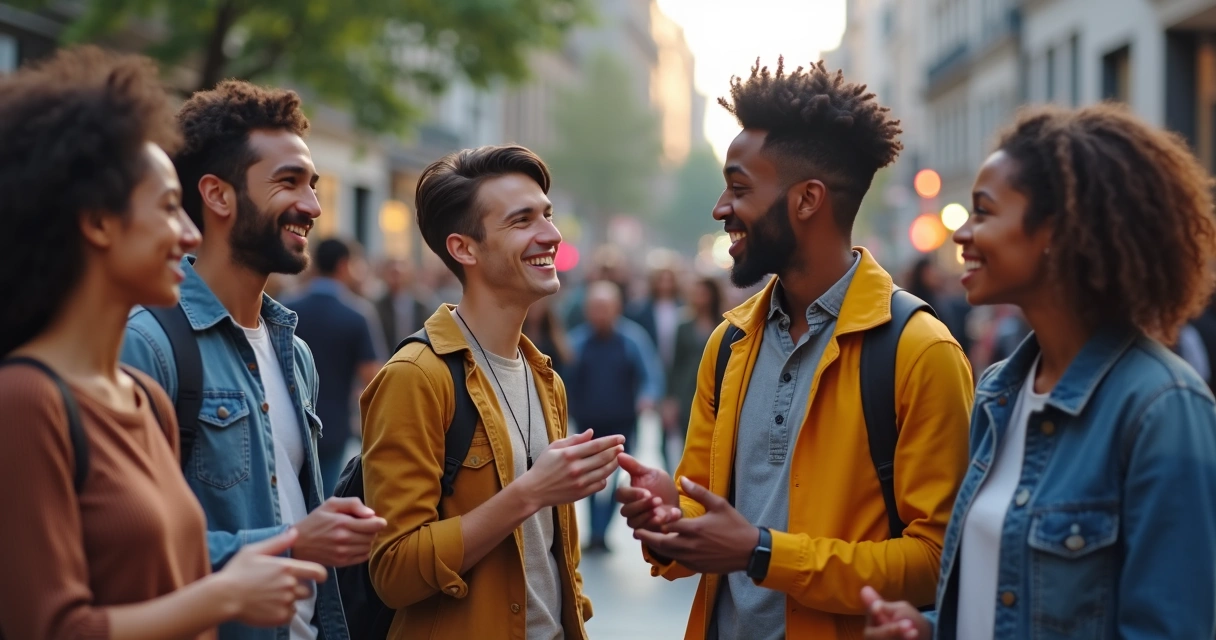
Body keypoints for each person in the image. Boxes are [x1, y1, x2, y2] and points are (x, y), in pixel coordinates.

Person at [615, 58, 975, 640]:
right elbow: (710, 524)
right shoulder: (729, 343)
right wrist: (669, 518)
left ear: (807, 200)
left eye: (739, 188)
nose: (720, 209)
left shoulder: (920, 352)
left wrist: (762, 551)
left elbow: (939, 564)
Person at [0, 46, 327, 640]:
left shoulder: (141, 397)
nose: (186, 232)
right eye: (170, 207)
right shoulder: (27, 399)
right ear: (99, 223)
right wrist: (237, 585)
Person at [862, 104, 1216, 639]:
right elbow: (1008, 600)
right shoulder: (998, 393)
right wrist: (930, 627)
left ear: (1057, 229)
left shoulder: (1163, 407)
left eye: (983, 211)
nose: (963, 234)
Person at [122, 79, 386, 640]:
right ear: (218, 195)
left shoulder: (297, 352)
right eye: (288, 183)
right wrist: (293, 541)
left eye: (313, 185)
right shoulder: (148, 344)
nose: (312, 206)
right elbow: (126, 546)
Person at [360, 145, 621, 639]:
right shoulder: (417, 376)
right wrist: (530, 492)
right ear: (464, 249)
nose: (551, 234)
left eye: (547, 214)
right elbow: (394, 571)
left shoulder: (544, 376)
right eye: (522, 221)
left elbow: (553, 553)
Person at [282, 237, 385, 496]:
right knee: (325, 497)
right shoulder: (357, 314)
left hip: (287, 419)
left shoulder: (286, 308)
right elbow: (373, 379)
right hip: (334, 425)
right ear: (343, 265)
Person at [567, 281, 665, 552]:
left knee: (615, 478)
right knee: (589, 478)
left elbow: (651, 375)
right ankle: (595, 531)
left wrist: (647, 397)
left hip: (622, 423)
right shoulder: (576, 341)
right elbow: (563, 379)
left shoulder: (633, 339)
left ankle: (600, 531)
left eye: (605, 308)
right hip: (588, 422)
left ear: (617, 309)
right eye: (595, 308)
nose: (600, 314)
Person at [661, 276, 724, 475]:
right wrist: (670, 398)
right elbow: (675, 364)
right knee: (687, 439)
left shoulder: (724, 323)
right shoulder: (684, 326)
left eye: (704, 293)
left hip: (716, 387)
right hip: (687, 389)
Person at [375, 258, 433, 349]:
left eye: (399, 274)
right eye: (393, 274)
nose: (396, 279)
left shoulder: (421, 306)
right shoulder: (377, 307)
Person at [523, 297, 575, 378]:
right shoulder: (517, 336)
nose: (535, 308)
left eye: (538, 304)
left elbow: (566, 360)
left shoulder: (554, 335)